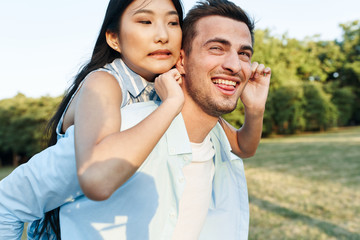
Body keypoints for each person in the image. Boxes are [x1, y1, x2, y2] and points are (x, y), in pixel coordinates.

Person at [0, 0, 270, 239]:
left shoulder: (190, 111)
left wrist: (255, 110)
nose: (162, 35)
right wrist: (172, 105)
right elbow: (95, 178)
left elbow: (243, 146)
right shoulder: (105, 85)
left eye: (172, 23)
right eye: (145, 21)